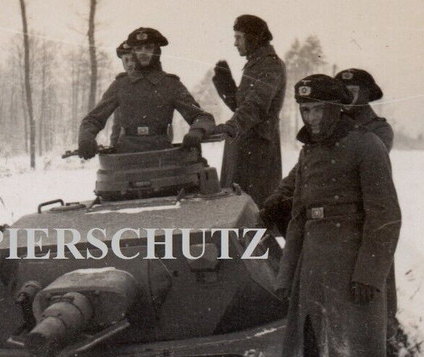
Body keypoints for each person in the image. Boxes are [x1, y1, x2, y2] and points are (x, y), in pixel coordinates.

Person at [273, 75, 401, 357]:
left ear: (336, 109)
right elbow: (297, 215)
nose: (311, 118)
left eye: (317, 110)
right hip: (312, 266)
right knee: (309, 352)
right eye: (304, 110)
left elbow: (385, 215)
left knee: (350, 353)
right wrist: (286, 272)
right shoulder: (309, 150)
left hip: (350, 266)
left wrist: (369, 273)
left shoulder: (367, 146)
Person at [261, 67, 393, 235]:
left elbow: (345, 168)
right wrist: (282, 193)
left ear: (366, 95)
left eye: (353, 91)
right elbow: (305, 165)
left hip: (356, 208)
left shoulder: (378, 130)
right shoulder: (325, 124)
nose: (348, 96)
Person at [77, 28, 214, 157]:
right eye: (138, 48)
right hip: (126, 157)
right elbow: (93, 119)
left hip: (162, 156)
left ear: (157, 51)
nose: (143, 52)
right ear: (134, 52)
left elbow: (202, 117)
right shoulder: (121, 85)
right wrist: (86, 138)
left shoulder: (171, 85)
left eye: (148, 48)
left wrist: (197, 131)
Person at [209, 14, 286, 206]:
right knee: (236, 205)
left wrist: (231, 127)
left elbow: (256, 106)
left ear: (253, 38)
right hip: (244, 143)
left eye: (239, 37)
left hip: (258, 148)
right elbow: (243, 107)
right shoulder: (255, 64)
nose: (235, 43)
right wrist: (225, 84)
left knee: (253, 207)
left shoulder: (270, 65)